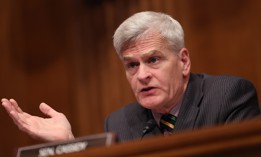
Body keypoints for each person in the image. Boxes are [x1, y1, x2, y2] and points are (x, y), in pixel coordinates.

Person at [1, 11, 260, 143]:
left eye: (153, 60)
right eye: (132, 65)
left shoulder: (229, 96)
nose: (142, 75)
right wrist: (70, 145)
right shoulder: (119, 123)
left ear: (183, 61)